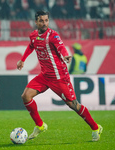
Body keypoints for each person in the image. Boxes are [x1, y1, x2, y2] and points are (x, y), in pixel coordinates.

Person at [16, 10, 103, 141]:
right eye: (41, 21)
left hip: (59, 77)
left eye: (46, 20)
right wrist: (22, 59)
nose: (44, 23)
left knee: (74, 105)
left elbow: (61, 46)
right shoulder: (33, 35)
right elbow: (31, 46)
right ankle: (40, 126)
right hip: (44, 76)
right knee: (26, 96)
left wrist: (66, 54)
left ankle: (96, 127)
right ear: (36, 22)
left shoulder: (53, 35)